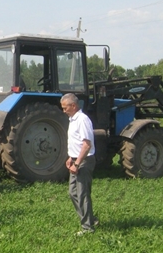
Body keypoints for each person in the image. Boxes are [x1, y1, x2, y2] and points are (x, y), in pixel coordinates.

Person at [60, 93, 98, 236]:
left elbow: (87, 145)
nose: (63, 111)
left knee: (82, 194)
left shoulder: (82, 120)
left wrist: (77, 163)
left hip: (84, 161)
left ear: (74, 105)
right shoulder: (72, 119)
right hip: (76, 160)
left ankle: (88, 228)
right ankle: (90, 219)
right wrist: (71, 157)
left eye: (65, 108)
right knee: (73, 192)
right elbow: (76, 142)